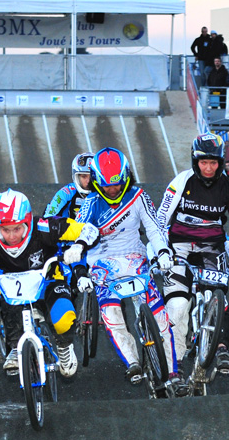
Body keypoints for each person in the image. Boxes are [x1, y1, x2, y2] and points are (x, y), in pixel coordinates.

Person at [72, 148, 182, 394]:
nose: (112, 190)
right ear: (97, 181)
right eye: (107, 186)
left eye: (118, 185)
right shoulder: (90, 204)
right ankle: (132, 362)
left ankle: (173, 371)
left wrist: (163, 251)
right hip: (102, 261)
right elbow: (78, 238)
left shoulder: (139, 196)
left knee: (160, 314)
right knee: (111, 313)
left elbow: (154, 228)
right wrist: (80, 272)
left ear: (126, 178)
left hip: (135, 256)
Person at [0, 189, 98, 376]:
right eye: (5, 229)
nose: (12, 236)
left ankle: (64, 347)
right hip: (13, 288)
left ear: (28, 222)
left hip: (49, 281)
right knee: (4, 298)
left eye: (17, 228)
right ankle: (15, 346)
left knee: (63, 320)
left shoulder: (45, 227)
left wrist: (79, 246)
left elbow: (89, 229)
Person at [157, 134, 229, 377]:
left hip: (212, 248)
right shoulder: (181, 181)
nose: (208, 168)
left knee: (219, 298)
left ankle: (222, 349)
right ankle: (177, 360)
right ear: (195, 161)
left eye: (213, 163)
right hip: (179, 247)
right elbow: (161, 219)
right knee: (178, 305)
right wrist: (161, 251)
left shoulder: (228, 187)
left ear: (220, 163)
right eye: (203, 162)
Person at [43, 152, 93, 220]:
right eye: (84, 176)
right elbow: (47, 218)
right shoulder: (66, 193)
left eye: (92, 177)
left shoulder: (105, 193)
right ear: (76, 176)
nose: (88, 181)